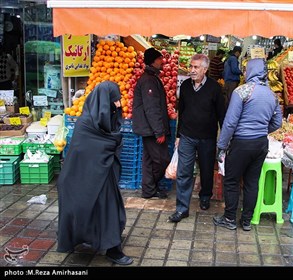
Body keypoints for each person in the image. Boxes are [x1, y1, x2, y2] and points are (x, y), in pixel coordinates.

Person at [57, 81, 133, 265]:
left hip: (100, 173)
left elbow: (109, 138)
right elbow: (90, 148)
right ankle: (113, 251)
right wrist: (111, 142)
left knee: (107, 209)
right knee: (106, 209)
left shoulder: (102, 119)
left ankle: (111, 243)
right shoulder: (86, 123)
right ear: (105, 101)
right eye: (115, 99)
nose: (119, 103)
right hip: (82, 178)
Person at [213, 58, 283, 231]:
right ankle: (246, 221)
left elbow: (230, 123)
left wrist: (221, 145)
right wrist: (261, 130)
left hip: (241, 143)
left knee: (232, 181)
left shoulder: (242, 92)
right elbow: (278, 123)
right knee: (252, 182)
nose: (244, 73)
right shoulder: (272, 95)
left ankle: (229, 219)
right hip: (260, 144)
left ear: (250, 71)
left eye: (245, 70)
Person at [168, 54, 226, 223]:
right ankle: (182, 208)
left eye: (196, 67)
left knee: (206, 170)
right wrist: (178, 135)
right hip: (187, 136)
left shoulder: (215, 88)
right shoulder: (185, 86)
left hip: (207, 137)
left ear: (205, 69)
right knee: (184, 172)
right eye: (191, 67)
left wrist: (223, 138)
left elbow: (221, 115)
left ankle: (205, 196)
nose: (192, 70)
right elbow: (182, 112)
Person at [132, 47, 170, 199]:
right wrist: (159, 131)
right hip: (150, 128)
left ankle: (149, 190)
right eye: (160, 58)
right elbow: (151, 108)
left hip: (148, 127)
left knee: (148, 160)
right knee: (162, 160)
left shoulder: (151, 77)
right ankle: (150, 187)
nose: (163, 61)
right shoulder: (149, 80)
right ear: (154, 61)